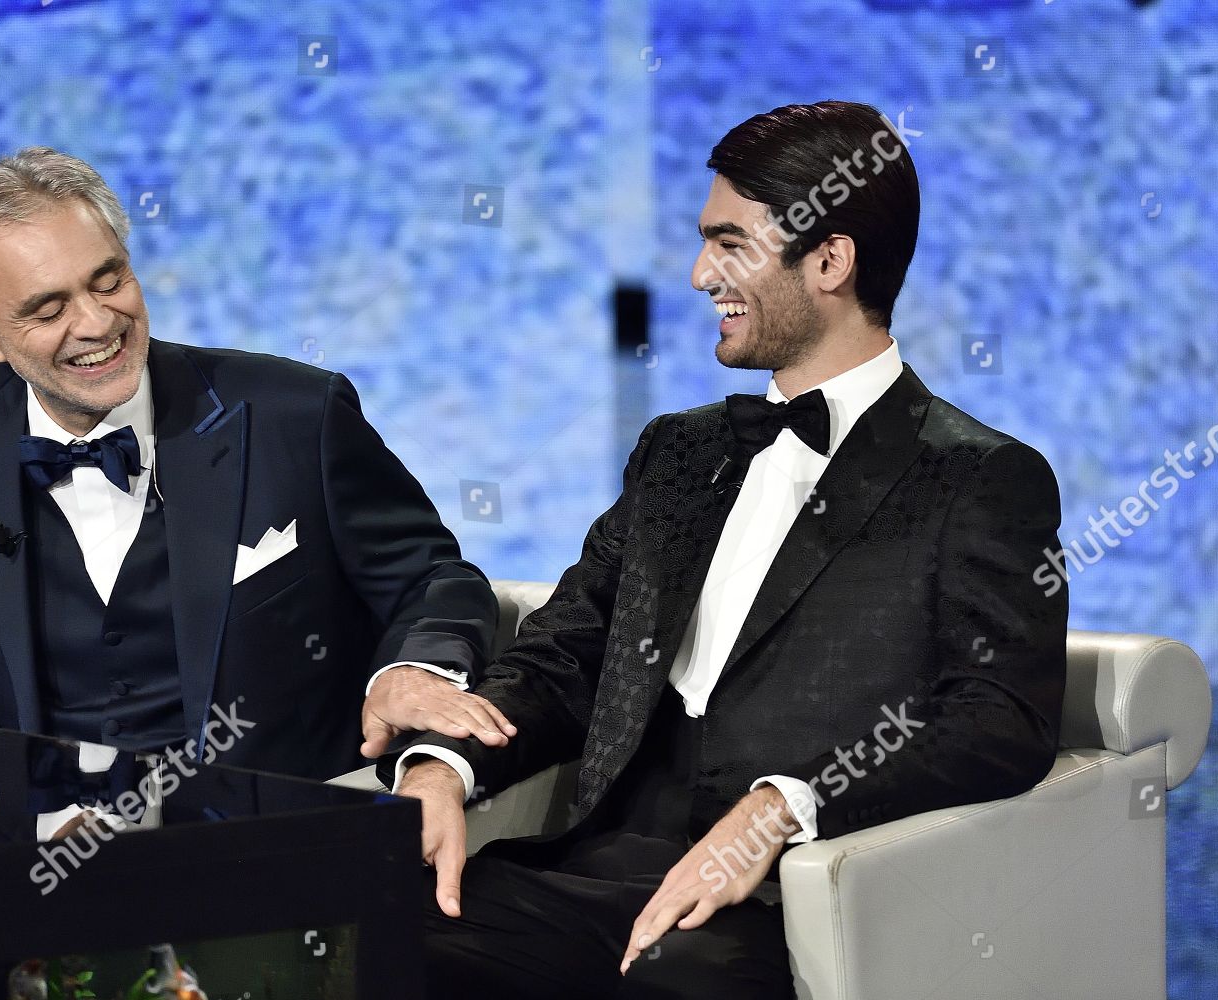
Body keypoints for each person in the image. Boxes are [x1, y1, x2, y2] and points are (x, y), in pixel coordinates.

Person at [380, 101, 1068, 999]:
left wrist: (783, 808)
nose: (702, 274)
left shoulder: (981, 478)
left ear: (830, 260)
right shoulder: (678, 450)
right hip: (592, 869)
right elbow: (564, 655)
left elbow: (997, 720)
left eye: (729, 242)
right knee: (361, 936)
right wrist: (443, 763)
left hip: (790, 902)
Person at [0, 147, 508, 788]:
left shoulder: (295, 413)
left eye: (109, 280)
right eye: (49, 309)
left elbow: (433, 579)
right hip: (43, 843)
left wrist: (412, 671)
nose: (96, 322)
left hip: (266, 839)